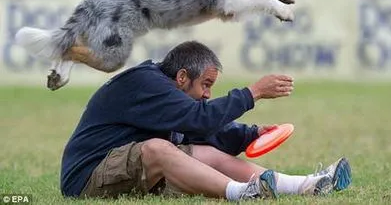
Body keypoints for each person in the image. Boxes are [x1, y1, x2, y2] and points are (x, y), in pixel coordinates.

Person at [60, 41, 352, 200]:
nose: (208, 94)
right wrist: (253, 93)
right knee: (157, 149)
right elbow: (198, 120)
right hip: (86, 179)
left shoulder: (167, 93)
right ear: (182, 77)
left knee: (206, 153)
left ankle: (307, 184)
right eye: (206, 85)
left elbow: (202, 132)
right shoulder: (144, 83)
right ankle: (242, 194)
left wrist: (251, 135)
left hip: (127, 171)